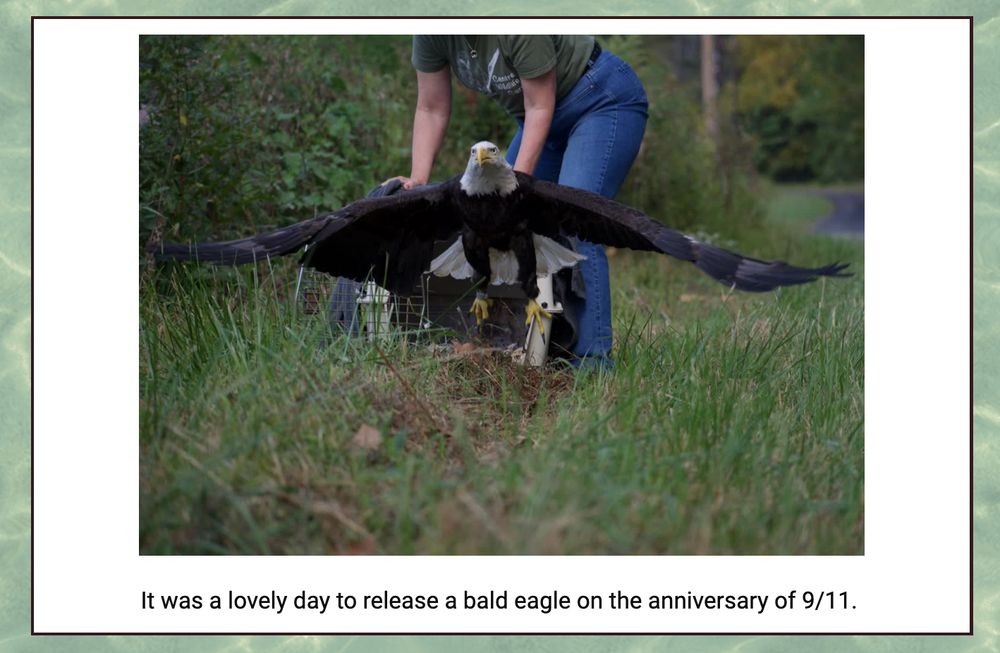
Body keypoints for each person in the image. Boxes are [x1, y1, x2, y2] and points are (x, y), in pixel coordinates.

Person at [396, 35, 648, 366]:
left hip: (599, 101)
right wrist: (418, 179)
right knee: (499, 229)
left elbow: (540, 104)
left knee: (576, 223)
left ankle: (592, 365)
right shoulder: (430, 30)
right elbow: (431, 107)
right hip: (540, 117)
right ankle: (537, 348)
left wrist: (513, 195)